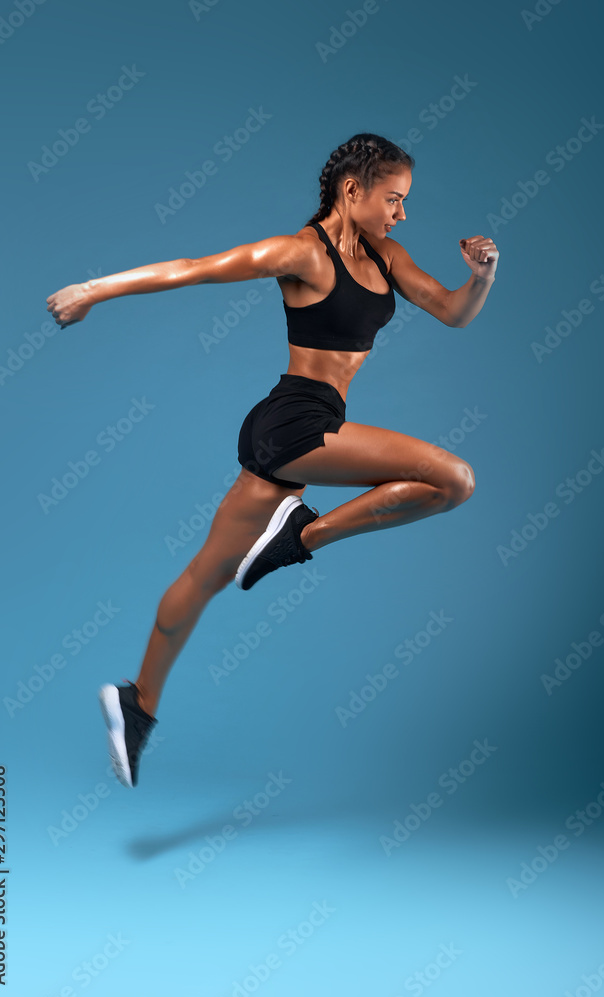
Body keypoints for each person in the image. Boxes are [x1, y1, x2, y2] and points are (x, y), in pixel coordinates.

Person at [46, 132, 499, 788]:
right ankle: (298, 537)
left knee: (206, 575)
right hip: (295, 425)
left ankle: (136, 702)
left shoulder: (388, 255)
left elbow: (453, 313)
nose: (401, 214)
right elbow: (193, 267)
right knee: (453, 480)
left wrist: (480, 276)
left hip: (297, 428)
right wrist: (92, 289)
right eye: (393, 199)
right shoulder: (299, 253)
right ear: (353, 190)